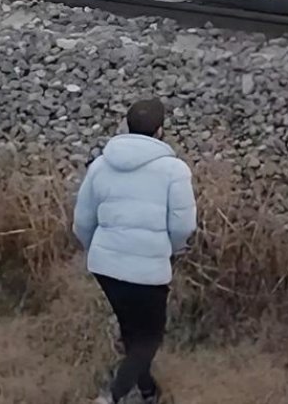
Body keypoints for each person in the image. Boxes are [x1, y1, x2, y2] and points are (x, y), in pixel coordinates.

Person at [73, 98, 197, 404]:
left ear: (127, 126)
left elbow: (81, 221)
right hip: (149, 270)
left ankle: (147, 392)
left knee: (132, 331)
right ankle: (111, 397)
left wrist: (99, 251)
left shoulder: (101, 164)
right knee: (149, 339)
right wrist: (172, 249)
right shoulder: (174, 170)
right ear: (160, 130)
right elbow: (183, 225)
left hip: (105, 268)